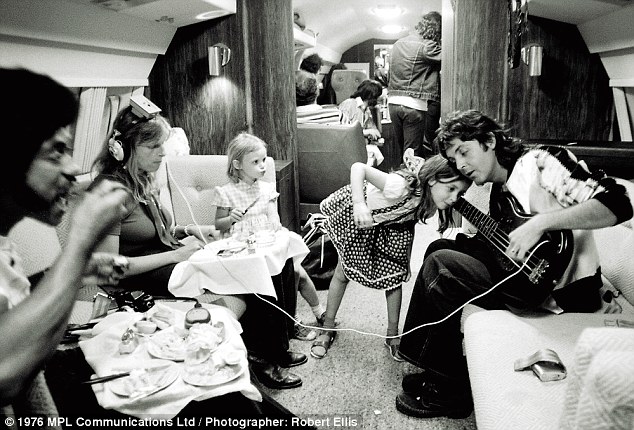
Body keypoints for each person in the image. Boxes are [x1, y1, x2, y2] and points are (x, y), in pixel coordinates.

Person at [396, 110, 633, 419]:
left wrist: (542, 224)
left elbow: (619, 203)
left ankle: (452, 392)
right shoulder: (501, 189)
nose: (462, 165)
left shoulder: (541, 162)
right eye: (454, 160)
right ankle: (431, 363)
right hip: (524, 277)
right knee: (439, 246)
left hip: (561, 289)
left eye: (464, 152)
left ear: (490, 141)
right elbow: (504, 246)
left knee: (443, 268)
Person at [0, 68, 129, 411]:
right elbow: (5, 374)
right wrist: (80, 243)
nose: (73, 168)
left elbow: (27, 335)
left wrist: (76, 274)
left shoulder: (4, 246)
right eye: (57, 151)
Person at [310, 151, 472, 361]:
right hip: (360, 216)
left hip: (390, 228)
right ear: (432, 180)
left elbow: (408, 218)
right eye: (451, 189)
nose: (454, 198)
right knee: (342, 272)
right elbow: (358, 168)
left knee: (394, 279)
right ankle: (328, 327)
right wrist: (359, 204)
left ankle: (393, 334)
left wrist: (404, 255)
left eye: (459, 193)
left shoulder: (430, 202)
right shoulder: (399, 186)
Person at [90, 103, 237, 305]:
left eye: (162, 144)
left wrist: (190, 229)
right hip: (135, 281)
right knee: (235, 275)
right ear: (122, 148)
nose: (162, 152)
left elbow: (151, 233)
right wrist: (176, 255)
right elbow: (109, 268)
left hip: (163, 262)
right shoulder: (108, 192)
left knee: (245, 265)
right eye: (153, 146)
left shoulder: (140, 180)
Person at [213, 132, 317, 387]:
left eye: (263, 161)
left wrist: (277, 231)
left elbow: (275, 221)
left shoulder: (267, 189)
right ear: (237, 164)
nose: (263, 167)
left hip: (265, 248)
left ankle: (280, 346)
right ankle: (264, 359)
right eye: (256, 162)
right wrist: (231, 219)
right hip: (242, 255)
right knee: (266, 293)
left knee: (285, 276)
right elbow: (218, 225)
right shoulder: (226, 193)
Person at [388, 11, 442, 159]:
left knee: (403, 153)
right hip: (413, 105)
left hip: (393, 103)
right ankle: (412, 182)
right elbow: (449, 58)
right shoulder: (427, 46)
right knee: (413, 156)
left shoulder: (398, 44)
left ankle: (401, 180)